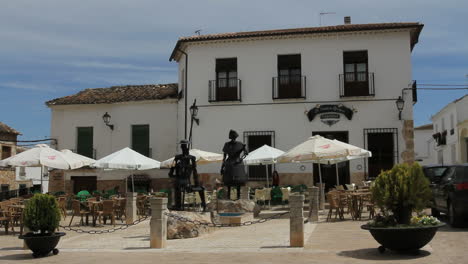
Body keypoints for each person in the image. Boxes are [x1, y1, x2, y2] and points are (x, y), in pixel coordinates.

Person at [168, 140, 206, 211]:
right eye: (183, 146)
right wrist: (173, 174)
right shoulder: (177, 158)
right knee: (177, 186)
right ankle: (178, 205)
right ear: (181, 147)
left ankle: (204, 205)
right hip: (180, 181)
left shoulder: (191, 158)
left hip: (187, 181)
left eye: (185, 146)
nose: (184, 148)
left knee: (200, 188)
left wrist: (196, 183)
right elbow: (171, 173)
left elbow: (195, 172)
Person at [220, 130, 248, 200]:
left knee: (238, 182)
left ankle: (238, 197)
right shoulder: (227, 144)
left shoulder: (240, 144)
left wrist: (241, 159)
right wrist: (222, 167)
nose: (233, 138)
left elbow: (246, 153)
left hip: (237, 163)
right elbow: (224, 157)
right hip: (229, 163)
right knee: (229, 181)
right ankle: (228, 196)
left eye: (234, 137)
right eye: (232, 137)